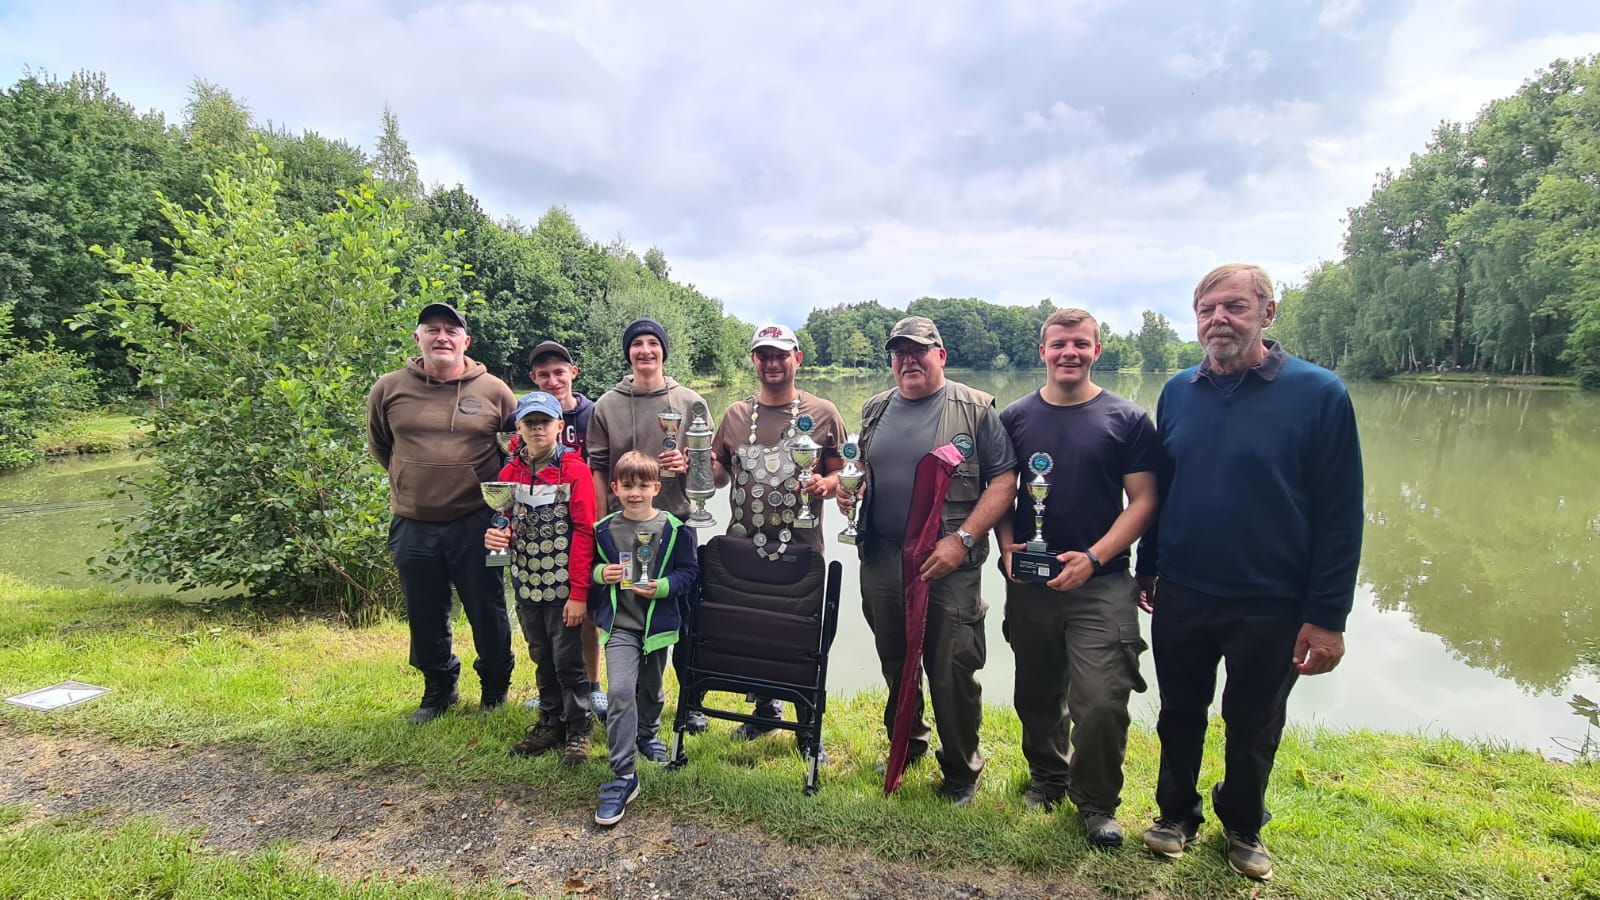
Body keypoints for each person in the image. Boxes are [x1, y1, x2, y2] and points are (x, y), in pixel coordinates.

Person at [1136, 264, 1363, 881]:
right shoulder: (1179, 390)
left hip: (1273, 600)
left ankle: (1243, 822)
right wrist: (1148, 567)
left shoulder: (1320, 393)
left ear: (1268, 312)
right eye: (1207, 309)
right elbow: (1164, 487)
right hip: (1183, 589)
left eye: (1234, 307)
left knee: (1254, 718)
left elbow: (1342, 514)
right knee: (1179, 709)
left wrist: (1327, 617)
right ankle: (1176, 813)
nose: (1219, 320)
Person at [995, 308, 1160, 848]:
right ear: (1042, 351)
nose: (1070, 352)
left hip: (1104, 583)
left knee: (1102, 697)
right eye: (1060, 343)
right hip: (1032, 584)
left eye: (1081, 344)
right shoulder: (1013, 418)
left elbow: (1144, 501)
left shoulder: (1127, 419)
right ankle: (1048, 777)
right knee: (1038, 691)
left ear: (1097, 351)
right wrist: (1005, 551)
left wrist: (1092, 556)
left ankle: (1096, 803)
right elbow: (1001, 495)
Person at [837, 316, 1017, 805]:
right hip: (881, 556)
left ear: (940, 354)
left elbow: (1004, 481)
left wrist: (963, 537)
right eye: (898, 353)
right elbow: (860, 468)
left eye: (918, 350)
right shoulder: (875, 408)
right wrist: (851, 493)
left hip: (947, 562)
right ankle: (908, 742)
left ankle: (961, 768)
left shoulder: (977, 409)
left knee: (952, 664)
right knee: (895, 658)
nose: (908, 360)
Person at [366, 302, 518, 724]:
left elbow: (514, 451)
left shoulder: (494, 390)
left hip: (477, 521)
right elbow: (381, 445)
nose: (442, 337)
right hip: (413, 522)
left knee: (487, 609)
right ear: (418, 337)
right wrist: (410, 480)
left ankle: (494, 689)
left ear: (465, 341)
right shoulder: (389, 388)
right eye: (432, 329)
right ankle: (438, 689)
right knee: (424, 611)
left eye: (451, 330)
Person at [709, 323, 846, 740]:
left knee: (802, 635)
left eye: (780, 354)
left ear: (797, 359)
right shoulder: (734, 414)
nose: (772, 363)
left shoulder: (824, 413)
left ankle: (807, 729)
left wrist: (827, 485)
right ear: (753, 360)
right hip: (742, 546)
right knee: (751, 631)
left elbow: (844, 472)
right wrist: (697, 463)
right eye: (763, 355)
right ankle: (765, 710)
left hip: (802, 547)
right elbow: (717, 475)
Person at [587, 317, 710, 733]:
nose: (645, 351)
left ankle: (689, 702)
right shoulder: (606, 405)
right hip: (620, 528)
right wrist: (601, 517)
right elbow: (599, 467)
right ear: (628, 353)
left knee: (684, 618)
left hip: (676, 526)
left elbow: (708, 471)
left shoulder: (690, 400)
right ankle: (626, 702)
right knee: (626, 612)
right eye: (637, 344)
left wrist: (690, 465)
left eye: (652, 344)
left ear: (663, 351)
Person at [487, 391, 598, 765]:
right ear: (517, 428)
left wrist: (580, 592)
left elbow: (585, 532)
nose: (537, 428)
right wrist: (498, 536)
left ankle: (580, 727)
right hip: (526, 582)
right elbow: (506, 523)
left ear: (559, 426)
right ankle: (550, 721)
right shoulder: (507, 474)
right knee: (541, 656)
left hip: (564, 586)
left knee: (568, 659)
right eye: (529, 422)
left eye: (544, 422)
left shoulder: (575, 469)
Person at [590, 451, 700, 826]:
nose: (635, 493)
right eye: (627, 485)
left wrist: (664, 586)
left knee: (651, 691)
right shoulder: (603, 529)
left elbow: (689, 573)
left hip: (657, 627)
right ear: (615, 487)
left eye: (643, 485)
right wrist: (600, 573)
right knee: (620, 691)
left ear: (657, 487)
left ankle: (647, 733)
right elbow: (589, 568)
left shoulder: (674, 529)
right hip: (620, 626)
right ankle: (623, 774)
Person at [526, 340, 607, 722]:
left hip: (586, 521)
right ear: (534, 379)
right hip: (544, 529)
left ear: (573, 373)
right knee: (546, 616)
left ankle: (592, 686)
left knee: (585, 609)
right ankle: (557, 689)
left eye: (560, 372)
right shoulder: (531, 418)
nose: (553, 380)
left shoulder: (594, 414)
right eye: (544, 375)